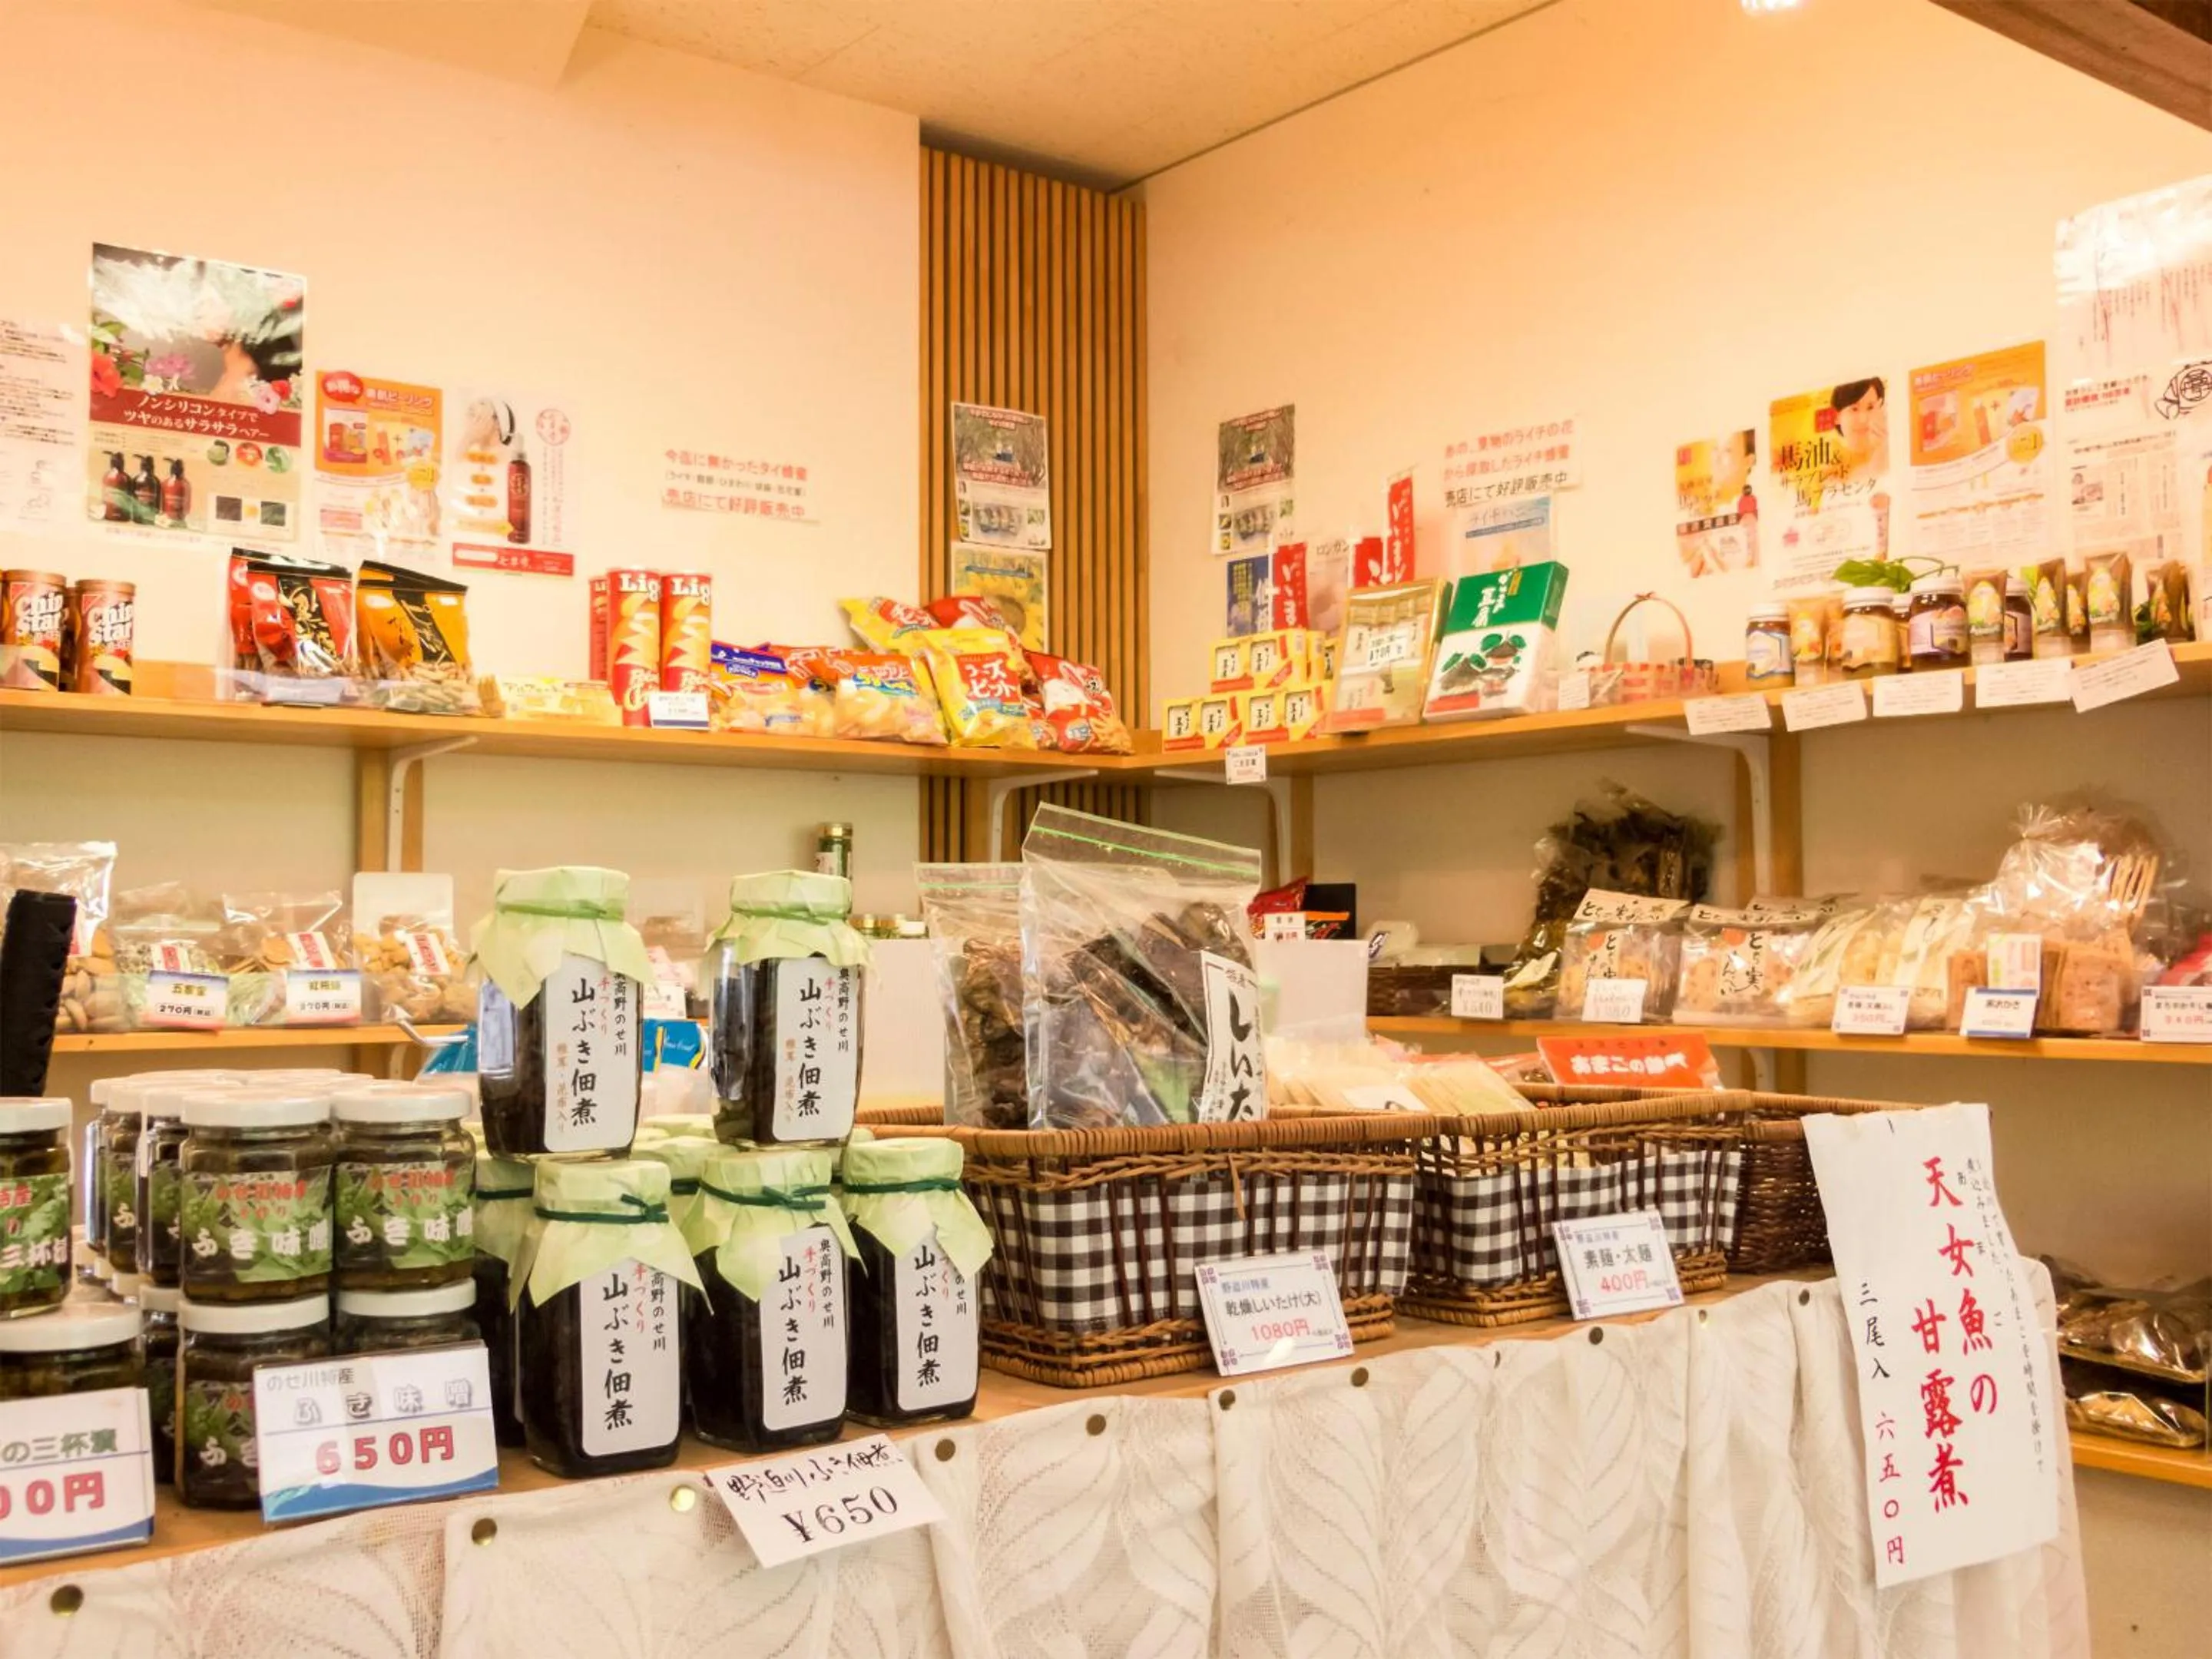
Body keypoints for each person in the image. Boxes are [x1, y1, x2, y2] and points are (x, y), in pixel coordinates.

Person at [1829, 377, 1888, 482]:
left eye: (1870, 408)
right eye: (1854, 409)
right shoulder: (1831, 470)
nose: (1863, 419)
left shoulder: (1891, 455)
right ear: (1837, 416)